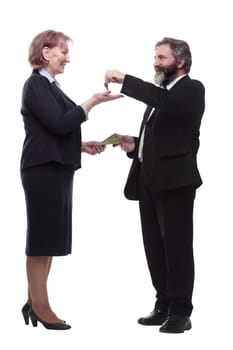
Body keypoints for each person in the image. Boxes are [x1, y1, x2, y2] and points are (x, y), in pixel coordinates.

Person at [20, 29, 123, 330]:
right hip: (43, 170)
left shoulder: (50, 86)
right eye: (63, 52)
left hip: (55, 167)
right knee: (41, 240)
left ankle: (32, 300)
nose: (68, 58)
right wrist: (92, 101)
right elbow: (59, 123)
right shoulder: (36, 84)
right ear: (46, 52)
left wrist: (81, 145)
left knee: (48, 238)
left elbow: (52, 130)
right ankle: (40, 306)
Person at [105, 37, 205, 333]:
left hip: (176, 183)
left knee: (177, 247)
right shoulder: (160, 96)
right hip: (149, 180)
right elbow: (163, 139)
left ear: (180, 62)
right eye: (155, 57)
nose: (156, 62)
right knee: (154, 247)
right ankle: (162, 304)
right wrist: (134, 145)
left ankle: (180, 311)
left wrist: (124, 80)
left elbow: (167, 104)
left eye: (161, 58)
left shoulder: (190, 89)